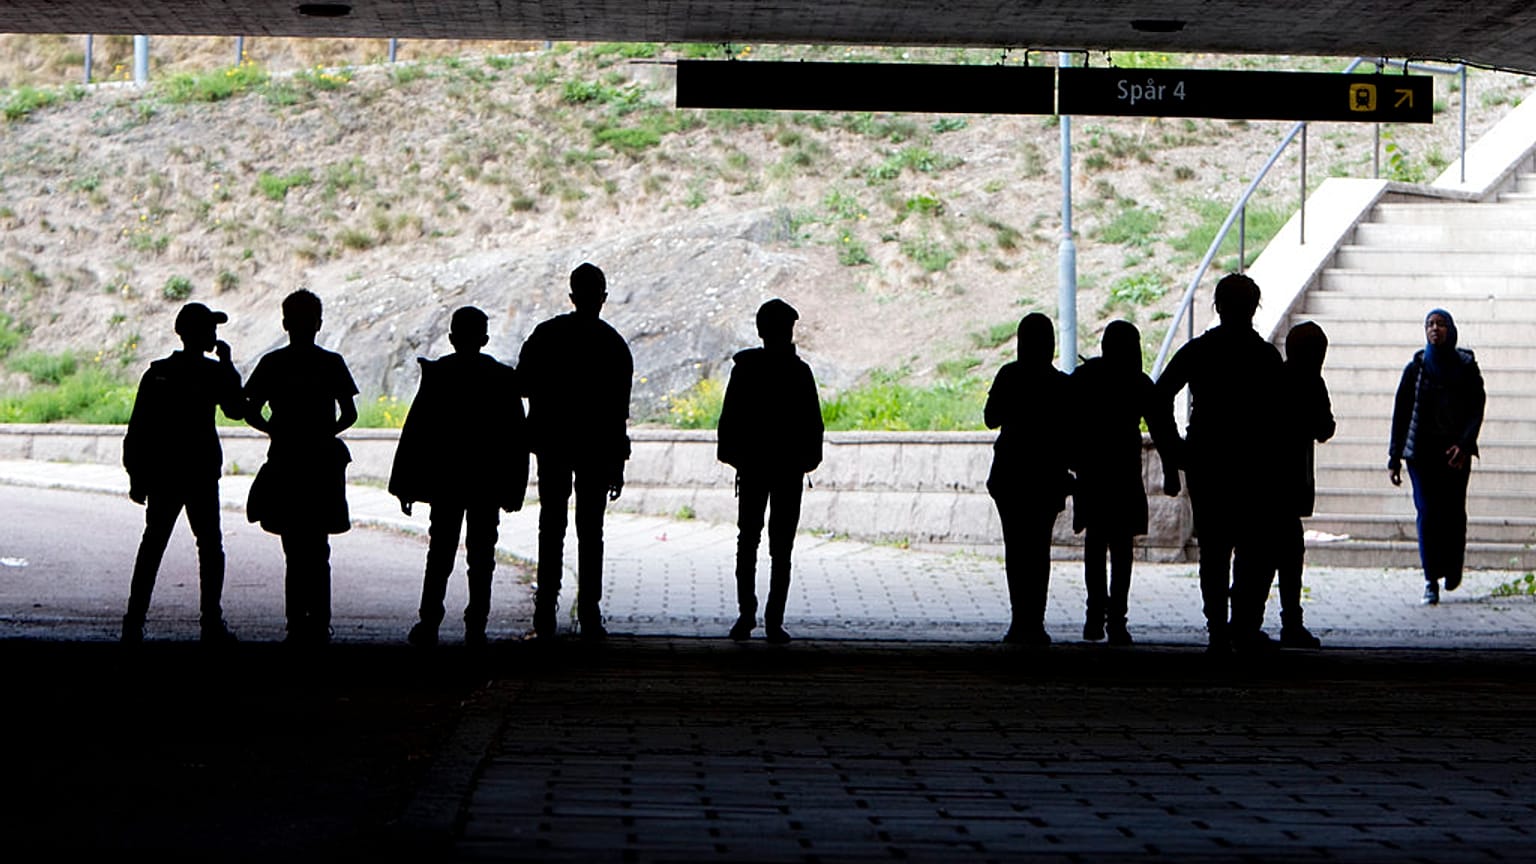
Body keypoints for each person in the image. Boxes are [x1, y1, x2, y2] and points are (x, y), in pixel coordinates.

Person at [1155, 273, 1284, 653]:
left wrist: (1172, 449)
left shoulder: (1200, 351)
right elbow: (1280, 417)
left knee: (1214, 547)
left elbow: (1159, 396)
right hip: (1253, 463)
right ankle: (1244, 624)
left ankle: (1217, 627)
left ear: (1218, 306)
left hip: (1207, 458)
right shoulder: (1265, 358)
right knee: (1253, 547)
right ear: (1254, 308)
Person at [390, 306, 529, 648]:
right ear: (485, 338)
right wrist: (514, 489)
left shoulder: (438, 376)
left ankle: (429, 621)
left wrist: (406, 485)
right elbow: (515, 438)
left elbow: (417, 433)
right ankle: (476, 625)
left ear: (451, 338)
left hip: (446, 480)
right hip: (486, 481)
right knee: (482, 556)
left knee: (440, 552)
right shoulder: (502, 379)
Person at [518, 263, 633, 640]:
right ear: (602, 298)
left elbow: (521, 384)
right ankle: (589, 611)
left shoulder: (546, 335)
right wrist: (618, 462)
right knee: (591, 530)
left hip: (552, 442)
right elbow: (619, 411)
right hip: (597, 447)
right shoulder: (614, 345)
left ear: (571, 296)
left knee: (551, 525)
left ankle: (546, 610)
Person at [120, 303, 245, 644]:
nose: (214, 335)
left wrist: (136, 475)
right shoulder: (212, 373)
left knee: (152, 545)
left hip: (164, 473)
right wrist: (228, 365)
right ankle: (211, 622)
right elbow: (236, 409)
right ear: (200, 334)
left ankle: (134, 621)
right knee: (210, 546)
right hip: (201, 472)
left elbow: (138, 428)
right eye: (210, 329)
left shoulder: (158, 373)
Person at [244, 289, 360, 645]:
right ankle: (320, 623)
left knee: (293, 549)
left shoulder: (272, 363)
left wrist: (276, 429)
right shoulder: (332, 363)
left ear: (285, 323)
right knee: (319, 548)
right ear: (319, 324)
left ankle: (296, 624)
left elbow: (251, 411)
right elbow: (350, 414)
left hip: (286, 461)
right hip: (322, 464)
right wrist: (325, 432)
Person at [717, 299, 824, 644]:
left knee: (748, 541)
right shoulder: (799, 372)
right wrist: (804, 461)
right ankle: (773, 620)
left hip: (754, 468)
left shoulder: (745, 369)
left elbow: (729, 422)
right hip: (788, 470)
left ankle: (746, 615)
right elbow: (814, 425)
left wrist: (740, 459)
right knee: (781, 547)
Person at [1068, 320, 1180, 646]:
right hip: (1124, 469)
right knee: (1121, 547)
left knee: (1095, 541)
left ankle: (1094, 615)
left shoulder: (1085, 377)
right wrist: (1171, 469)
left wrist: (1068, 461)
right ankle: (1117, 618)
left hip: (1092, 469)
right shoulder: (1137, 382)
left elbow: (1066, 420)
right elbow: (1161, 427)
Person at [984, 312, 1072, 646]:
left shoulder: (1009, 375)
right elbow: (1069, 434)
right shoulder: (1061, 384)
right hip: (1046, 476)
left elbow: (991, 418)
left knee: (1016, 550)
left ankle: (1019, 620)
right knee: (1039, 550)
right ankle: (1035, 621)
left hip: (1011, 474)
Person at [1389, 308, 1485, 606]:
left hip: (1454, 453)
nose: (1435, 330)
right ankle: (1431, 578)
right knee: (1428, 513)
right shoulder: (1416, 368)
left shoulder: (1466, 366)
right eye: (1430, 324)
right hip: (1421, 454)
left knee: (1453, 513)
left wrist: (1465, 444)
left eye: (1441, 324)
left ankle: (1452, 568)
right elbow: (1401, 413)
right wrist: (1395, 456)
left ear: (1451, 329)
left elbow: (1476, 407)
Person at [1275, 321, 1335, 647]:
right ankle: (1290, 622)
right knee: (1289, 556)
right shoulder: (1313, 384)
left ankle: (1243, 620)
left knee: (1258, 555)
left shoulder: (1273, 379)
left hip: (1265, 480)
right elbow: (1325, 428)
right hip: (1293, 479)